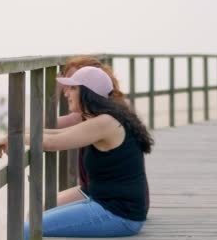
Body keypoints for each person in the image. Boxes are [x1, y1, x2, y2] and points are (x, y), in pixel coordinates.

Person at [0, 66, 154, 240]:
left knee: (26, 229)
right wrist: (17, 134)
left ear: (88, 93)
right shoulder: (104, 119)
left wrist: (15, 138)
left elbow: (53, 142)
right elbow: (58, 133)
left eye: (73, 88)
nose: (66, 93)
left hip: (119, 215)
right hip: (106, 204)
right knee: (33, 217)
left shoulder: (105, 123)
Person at [55, 57, 150, 211]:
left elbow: (50, 133)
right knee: (41, 211)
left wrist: (56, 89)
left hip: (114, 203)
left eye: (73, 85)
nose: (67, 92)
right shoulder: (110, 110)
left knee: (37, 217)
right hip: (106, 194)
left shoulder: (101, 119)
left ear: (90, 87)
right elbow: (50, 132)